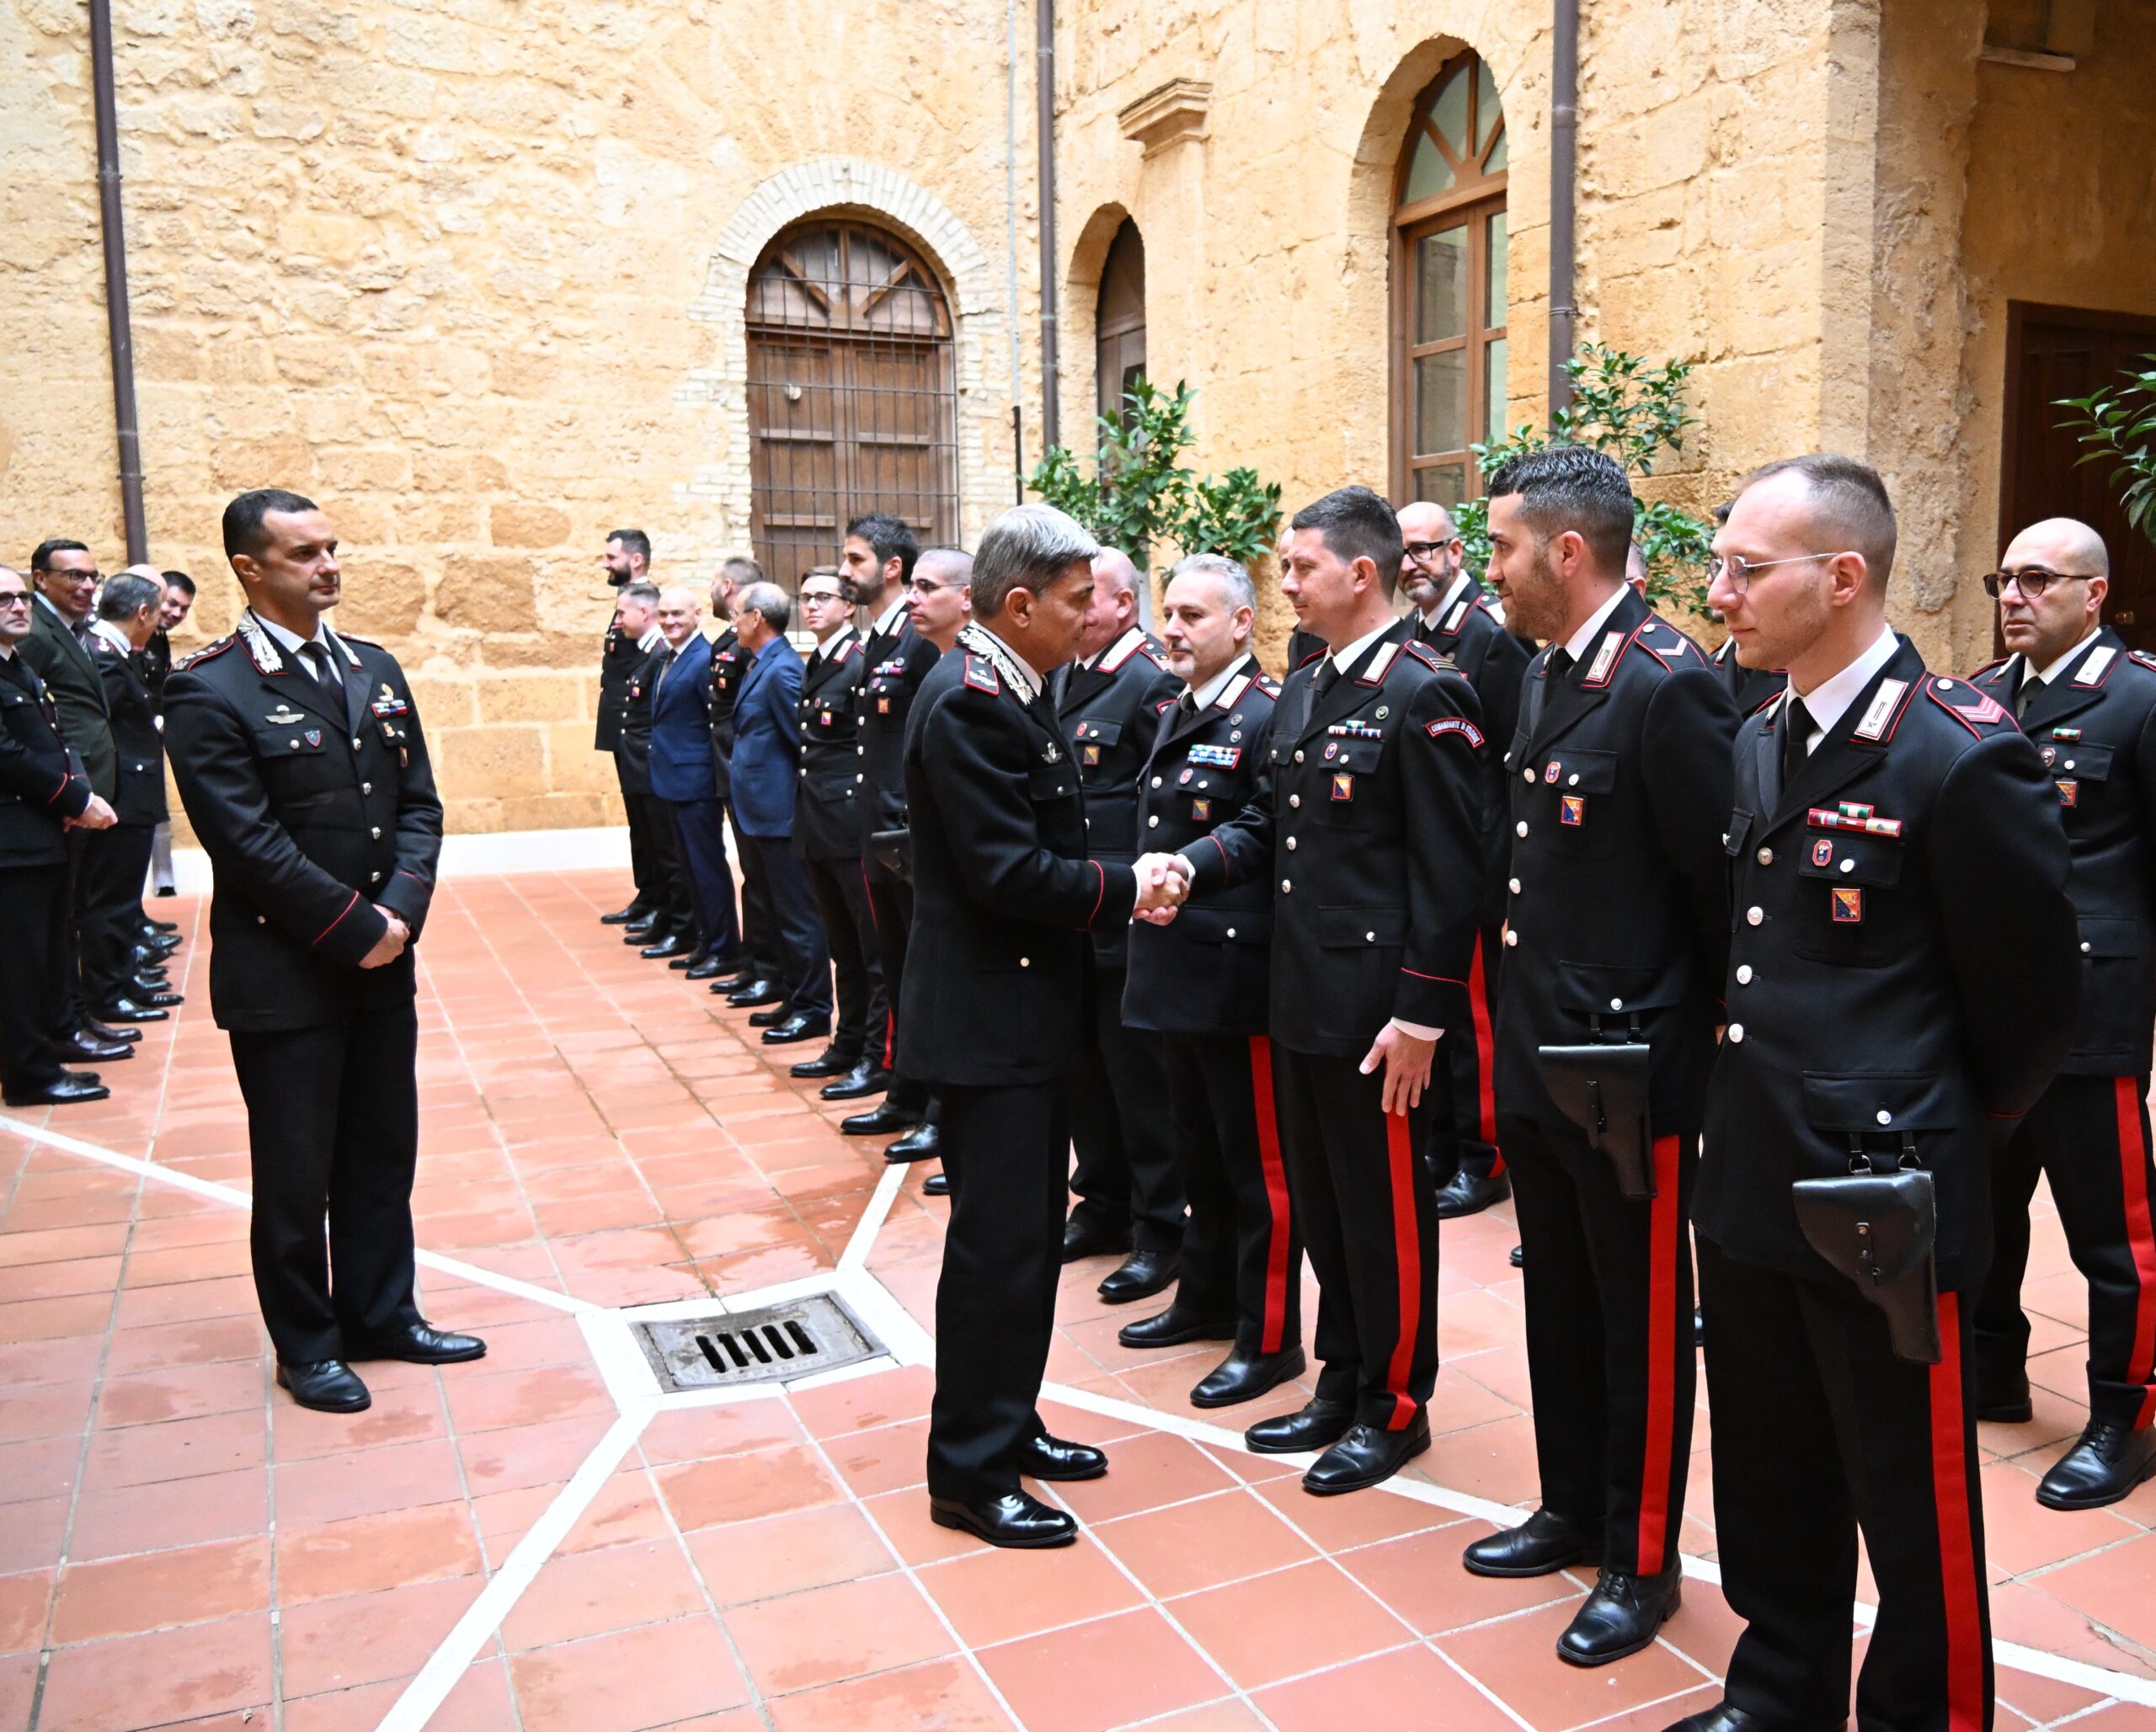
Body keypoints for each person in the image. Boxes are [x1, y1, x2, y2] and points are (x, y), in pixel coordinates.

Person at [1675, 456, 2078, 1732]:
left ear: (1841, 578)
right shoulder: (1758, 734)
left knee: (1912, 1498)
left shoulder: (1958, 757)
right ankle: (1782, 1688)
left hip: (1881, 1193)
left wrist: (1948, 1135)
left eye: (1746, 568)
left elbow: (2030, 1008)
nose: (1718, 590)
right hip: (1752, 1171)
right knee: (1771, 1463)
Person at [1144, 485, 1490, 1494]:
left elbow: (1450, 871)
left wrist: (1422, 1011)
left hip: (1380, 1014)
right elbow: (1265, 825)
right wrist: (1190, 866)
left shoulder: (1425, 691)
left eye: (1298, 567)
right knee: (1332, 1213)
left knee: (1384, 1216)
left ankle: (1393, 1403)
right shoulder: (1307, 684)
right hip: (1297, 995)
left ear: (1360, 573)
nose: (1286, 582)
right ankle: (1340, 1378)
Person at [1460, 447, 1739, 1666]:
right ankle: (1571, 1502)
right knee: (1563, 1303)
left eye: (1504, 547)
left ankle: (1640, 1558)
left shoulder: (1666, 683)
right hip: (1539, 1050)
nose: (1492, 570)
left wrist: (1676, 1064)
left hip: (1627, 1073)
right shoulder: (1545, 671)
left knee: (1636, 1316)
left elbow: (1719, 899)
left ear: (1567, 553)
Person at [164, 488, 483, 1415]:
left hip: (385, 959)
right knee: (298, 1169)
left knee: (383, 1152)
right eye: (305, 553)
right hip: (287, 971)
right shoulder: (209, 686)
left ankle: (383, 1311)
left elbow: (419, 803)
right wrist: (357, 930)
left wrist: (401, 915)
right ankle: (306, 1342)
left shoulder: (373, 668)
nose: (329, 565)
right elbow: (246, 840)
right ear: (250, 569)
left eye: (332, 547)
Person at [905, 502, 1178, 1548]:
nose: (1088, 620)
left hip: (1017, 1011)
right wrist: (1130, 884)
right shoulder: (971, 701)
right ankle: (970, 1470)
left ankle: (1008, 1423)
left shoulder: (1010, 682)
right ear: (1018, 606)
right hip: (989, 1021)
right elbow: (1007, 871)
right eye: (1073, 603)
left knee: (1018, 1243)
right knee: (998, 1252)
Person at [1967, 518, 2156, 1510]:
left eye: (2037, 579)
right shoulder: (1983, 699)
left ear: (2093, 593)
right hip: (1996, 1013)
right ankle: (1991, 1370)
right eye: (2005, 577)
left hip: (2092, 1013)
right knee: (1990, 1211)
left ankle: (2126, 1413)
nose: (2012, 595)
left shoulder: (2137, 699)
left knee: (2112, 1234)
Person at [1121, 554, 1305, 1407]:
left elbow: (1265, 826)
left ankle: (1266, 1335)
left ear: (1242, 623)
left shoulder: (1264, 712)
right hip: (1174, 963)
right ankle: (1202, 1295)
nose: (1173, 628)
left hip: (1235, 972)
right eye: (1168, 612)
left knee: (1255, 1164)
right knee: (1196, 1148)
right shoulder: (1174, 708)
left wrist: (1185, 868)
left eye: (1193, 614)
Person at [1056, 546, 1187, 1300]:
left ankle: (1158, 1227)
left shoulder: (1149, 684)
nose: (1074, 612)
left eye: (1086, 599)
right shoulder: (1071, 675)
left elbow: (1158, 810)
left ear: (1123, 607)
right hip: (1081, 910)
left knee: (1138, 1082)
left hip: (1129, 916)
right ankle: (1101, 1201)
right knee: (1088, 1077)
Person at [1399, 499, 1530, 1221]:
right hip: (1434, 854)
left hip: (1479, 858)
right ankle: (1444, 1146)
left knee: (1474, 1019)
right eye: (1403, 552)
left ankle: (1485, 1159)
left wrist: (1491, 860)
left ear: (1456, 551)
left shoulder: (1487, 635)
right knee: (1438, 1013)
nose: (1411, 563)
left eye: (1423, 548)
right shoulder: (1418, 634)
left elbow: (1510, 757)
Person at [839, 514, 945, 1164]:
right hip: (876, 833)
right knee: (897, 967)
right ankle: (905, 1090)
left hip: (908, 839)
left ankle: (938, 1105)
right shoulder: (877, 640)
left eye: (854, 560)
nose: (846, 571)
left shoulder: (919, 640)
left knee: (925, 974)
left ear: (891, 568)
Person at [21, 539, 148, 1044]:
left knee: (76, 912)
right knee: (65, 920)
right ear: (41, 579)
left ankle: (78, 1016)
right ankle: (67, 1021)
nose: (88, 586)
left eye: (92, 576)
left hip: (87, 792)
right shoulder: (34, 630)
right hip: (59, 798)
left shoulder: (72, 631)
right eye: (74, 576)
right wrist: (70, 790)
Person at [0, 562, 114, 1106]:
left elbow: (56, 735)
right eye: (5, 600)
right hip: (12, 841)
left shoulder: (18, 667)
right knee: (19, 964)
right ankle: (27, 1072)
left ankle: (44, 1051)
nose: (18, 606)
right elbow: (7, 754)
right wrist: (72, 799)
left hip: (41, 832)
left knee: (45, 955)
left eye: (21, 596)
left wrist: (75, 793)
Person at [787, 570, 887, 1099]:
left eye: (823, 597)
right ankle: (847, 1044)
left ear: (850, 606)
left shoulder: (859, 661)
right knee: (841, 946)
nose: (811, 606)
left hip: (849, 824)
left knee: (871, 951)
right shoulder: (821, 660)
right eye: (804, 598)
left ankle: (875, 1056)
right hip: (818, 822)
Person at [726, 582, 831, 1045]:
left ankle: (811, 1007)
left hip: (780, 814)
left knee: (797, 915)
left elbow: (801, 744)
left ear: (757, 618)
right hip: (759, 813)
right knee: (775, 909)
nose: (733, 623)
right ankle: (793, 995)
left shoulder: (783, 668)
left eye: (737, 615)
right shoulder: (762, 663)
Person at [82, 571, 179, 1062]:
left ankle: (123, 980)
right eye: (159, 614)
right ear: (143, 613)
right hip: (120, 797)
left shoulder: (115, 652)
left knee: (121, 900)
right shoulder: (102, 655)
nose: (159, 623)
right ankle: (108, 992)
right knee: (111, 902)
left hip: (132, 795)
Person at [647, 584, 742, 980]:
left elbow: (716, 722)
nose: (669, 621)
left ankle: (724, 948)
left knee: (707, 867)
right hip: (670, 777)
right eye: (664, 614)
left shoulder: (704, 659)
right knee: (687, 867)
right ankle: (706, 943)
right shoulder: (668, 658)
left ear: (698, 615)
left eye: (677, 614)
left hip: (696, 780)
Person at [707, 557, 786, 1005]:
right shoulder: (743, 652)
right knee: (754, 880)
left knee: (770, 887)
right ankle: (758, 966)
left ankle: (771, 972)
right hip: (738, 778)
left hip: (759, 786)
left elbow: (788, 738)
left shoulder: (768, 661)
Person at [612, 584, 696, 958]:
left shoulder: (662, 654)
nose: (617, 622)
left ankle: (678, 925)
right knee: (657, 852)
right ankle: (665, 918)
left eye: (621, 613)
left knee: (670, 857)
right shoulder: (653, 656)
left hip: (654, 770)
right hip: (643, 769)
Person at [596, 530, 657, 927]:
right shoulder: (625, 605)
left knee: (652, 821)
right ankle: (646, 893)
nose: (604, 563)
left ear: (635, 560)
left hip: (638, 729)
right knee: (637, 819)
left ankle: (659, 898)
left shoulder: (649, 607)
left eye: (610, 557)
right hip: (622, 726)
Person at [145, 569, 195, 902]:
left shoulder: (158, 637)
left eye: (184, 609)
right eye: (172, 603)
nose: (176, 613)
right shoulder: (138, 635)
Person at [907, 547, 974, 652]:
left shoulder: (981, 665)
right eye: (911, 588)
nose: (909, 599)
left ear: (967, 597)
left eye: (926, 587)